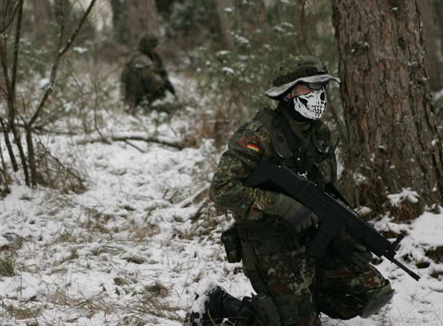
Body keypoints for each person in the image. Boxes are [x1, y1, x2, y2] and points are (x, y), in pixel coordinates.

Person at [188, 55, 393, 326]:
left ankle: (298, 303)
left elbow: (326, 191)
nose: (318, 96)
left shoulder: (320, 134)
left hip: (311, 236)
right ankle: (219, 303)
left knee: (371, 291)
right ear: (287, 94)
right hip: (270, 241)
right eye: (309, 88)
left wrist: (345, 236)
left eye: (321, 88)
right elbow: (222, 190)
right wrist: (282, 205)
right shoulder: (257, 134)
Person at [120, 33, 175, 110]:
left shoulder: (134, 57)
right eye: (156, 47)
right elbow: (157, 85)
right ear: (149, 47)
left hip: (130, 103)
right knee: (176, 107)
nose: (158, 49)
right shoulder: (143, 62)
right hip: (140, 106)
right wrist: (162, 74)